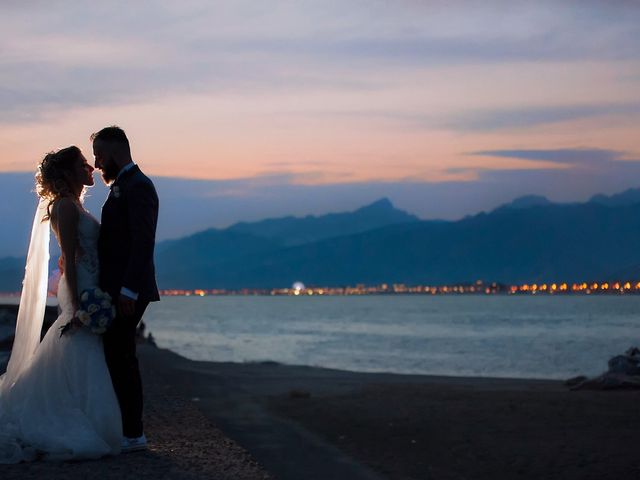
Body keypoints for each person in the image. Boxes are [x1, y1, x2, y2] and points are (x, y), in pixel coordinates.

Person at [0, 146, 121, 463]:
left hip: (88, 284)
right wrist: (81, 302)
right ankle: (69, 417)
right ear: (68, 173)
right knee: (75, 343)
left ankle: (80, 412)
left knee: (76, 348)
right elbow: (68, 255)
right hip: (80, 289)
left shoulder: (76, 205)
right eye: (83, 164)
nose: (90, 168)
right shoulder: (65, 208)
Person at [92, 126, 160, 452]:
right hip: (120, 288)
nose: (96, 163)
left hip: (129, 291)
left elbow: (143, 241)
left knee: (122, 357)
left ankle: (133, 433)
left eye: (100, 155)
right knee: (117, 356)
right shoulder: (122, 184)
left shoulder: (139, 186)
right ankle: (126, 428)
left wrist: (129, 291)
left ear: (116, 154)